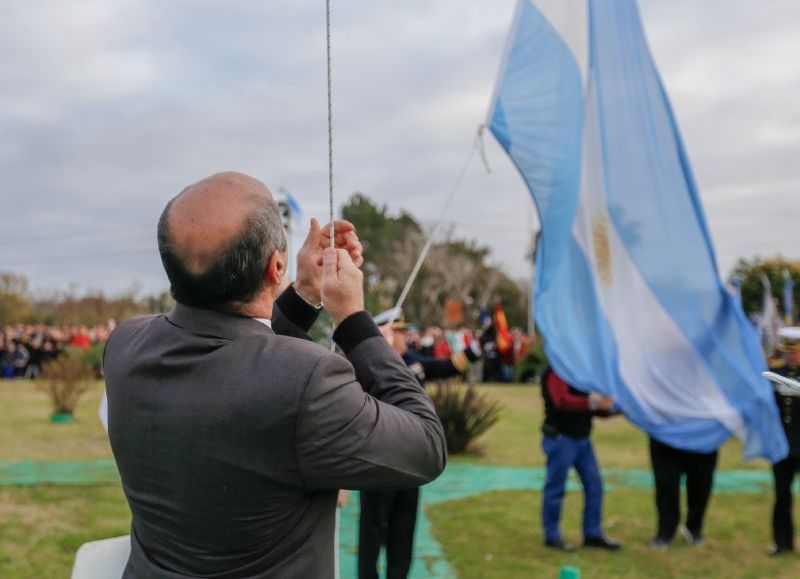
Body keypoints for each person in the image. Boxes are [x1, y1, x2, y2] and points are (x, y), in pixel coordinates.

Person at [104, 172, 447, 579]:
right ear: (276, 265)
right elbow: (425, 446)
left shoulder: (126, 345)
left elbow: (241, 371)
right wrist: (354, 318)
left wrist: (303, 292)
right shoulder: (307, 382)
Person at [358, 312, 480, 579]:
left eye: (402, 332)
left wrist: (475, 350)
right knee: (372, 529)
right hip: (378, 459)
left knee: (403, 529)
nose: (404, 337)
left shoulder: (412, 361)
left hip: (410, 457)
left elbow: (447, 366)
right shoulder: (365, 364)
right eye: (398, 331)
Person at [540, 366, 621, 552]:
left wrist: (614, 408)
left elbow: (590, 406)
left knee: (595, 486)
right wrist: (595, 404)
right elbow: (561, 401)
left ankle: (592, 533)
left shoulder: (581, 370)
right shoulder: (556, 369)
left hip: (582, 439)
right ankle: (552, 535)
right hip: (562, 438)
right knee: (556, 488)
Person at [648, 437, 718, 549]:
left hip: (703, 436)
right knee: (666, 484)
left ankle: (694, 528)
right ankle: (665, 532)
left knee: (701, 482)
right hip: (665, 435)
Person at [769, 327, 800, 556]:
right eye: (789, 352)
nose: (792, 356)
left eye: (796, 351)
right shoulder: (776, 374)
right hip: (782, 446)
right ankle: (782, 543)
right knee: (781, 496)